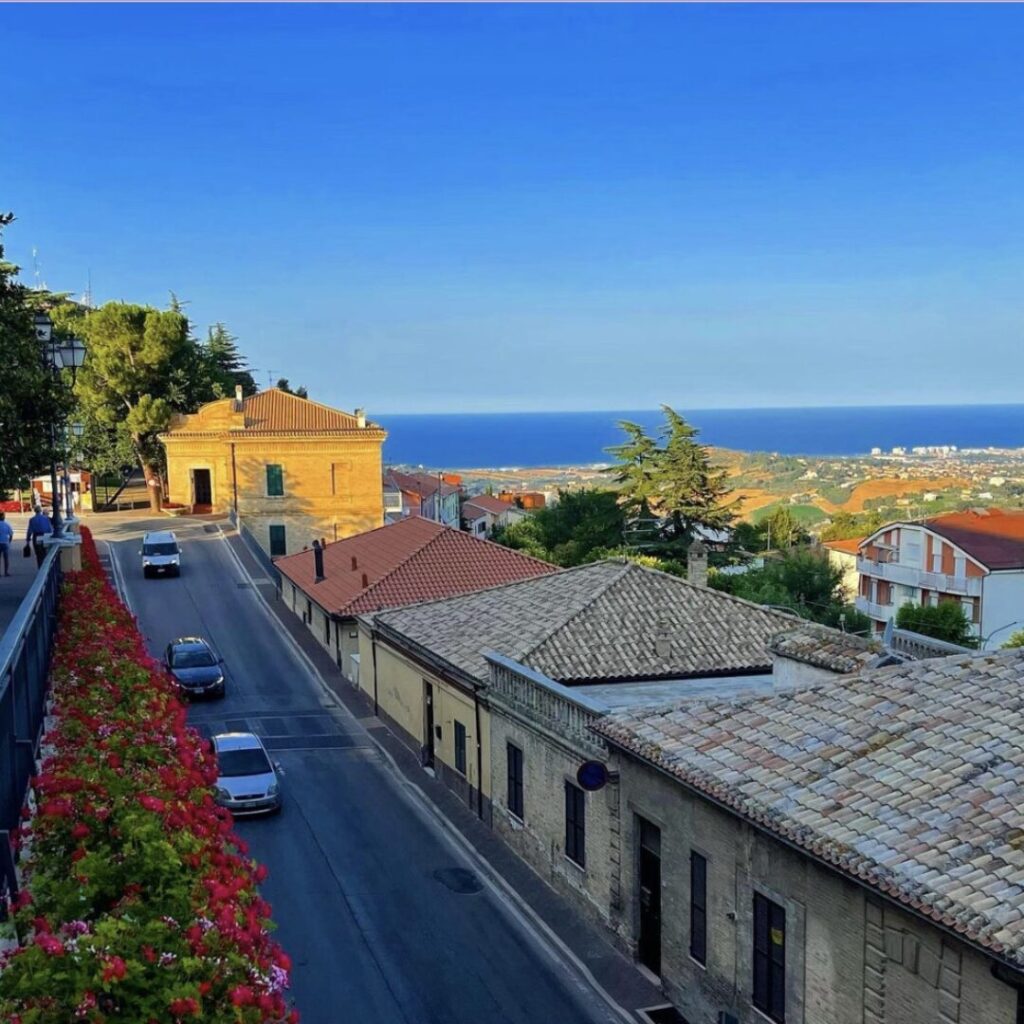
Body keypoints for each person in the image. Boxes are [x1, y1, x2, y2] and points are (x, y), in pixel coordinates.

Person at [0, 511, 12, 576]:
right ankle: (6, 572)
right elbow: (11, 534)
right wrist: (9, 541)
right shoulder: (7, 525)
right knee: (6, 558)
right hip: (5, 543)